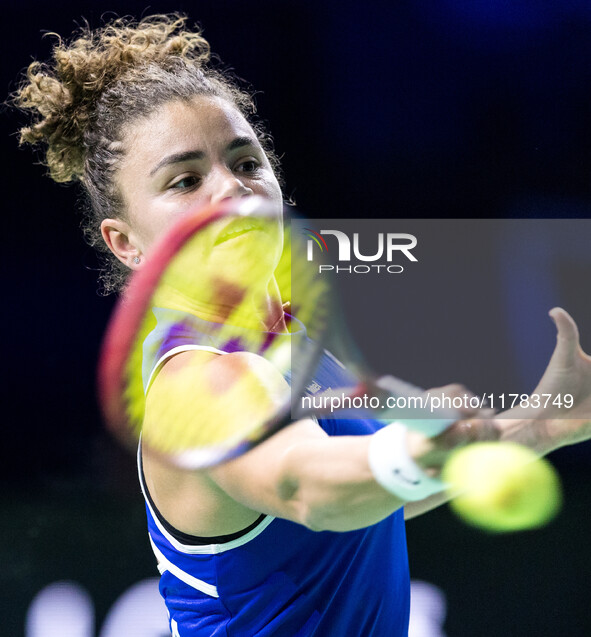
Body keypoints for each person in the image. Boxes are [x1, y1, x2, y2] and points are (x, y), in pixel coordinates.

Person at [13, 14, 591, 636]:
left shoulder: (291, 342)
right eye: (185, 180)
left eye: (246, 162)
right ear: (126, 243)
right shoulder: (193, 386)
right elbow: (303, 489)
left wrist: (540, 425)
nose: (232, 190)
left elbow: (366, 501)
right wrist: (404, 452)